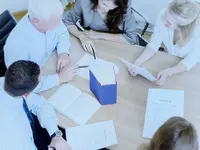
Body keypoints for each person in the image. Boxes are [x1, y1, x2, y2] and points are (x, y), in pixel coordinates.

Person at [4, 0, 77, 93]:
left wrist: (63, 52)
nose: (59, 24)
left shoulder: (50, 17)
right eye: (54, 23)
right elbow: (23, 84)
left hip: (49, 65)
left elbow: (62, 32)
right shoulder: (17, 45)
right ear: (36, 21)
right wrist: (59, 79)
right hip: (37, 84)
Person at [0, 60, 71, 150]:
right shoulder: (15, 136)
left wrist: (55, 135)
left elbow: (40, 104)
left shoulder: (7, 83)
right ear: (27, 94)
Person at [128, 0, 200, 86]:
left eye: (169, 23)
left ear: (183, 27)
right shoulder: (163, 15)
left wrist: (169, 71)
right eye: (166, 15)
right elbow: (154, 44)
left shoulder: (197, 33)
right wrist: (136, 63)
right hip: (168, 59)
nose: (164, 22)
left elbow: (191, 60)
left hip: (189, 69)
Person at [63, 0, 139, 54]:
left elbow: (131, 38)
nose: (106, 10)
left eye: (112, 7)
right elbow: (68, 21)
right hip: (91, 41)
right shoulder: (84, 1)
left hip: (115, 45)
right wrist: (81, 35)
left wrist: (99, 35)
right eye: (104, 4)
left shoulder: (124, 4)